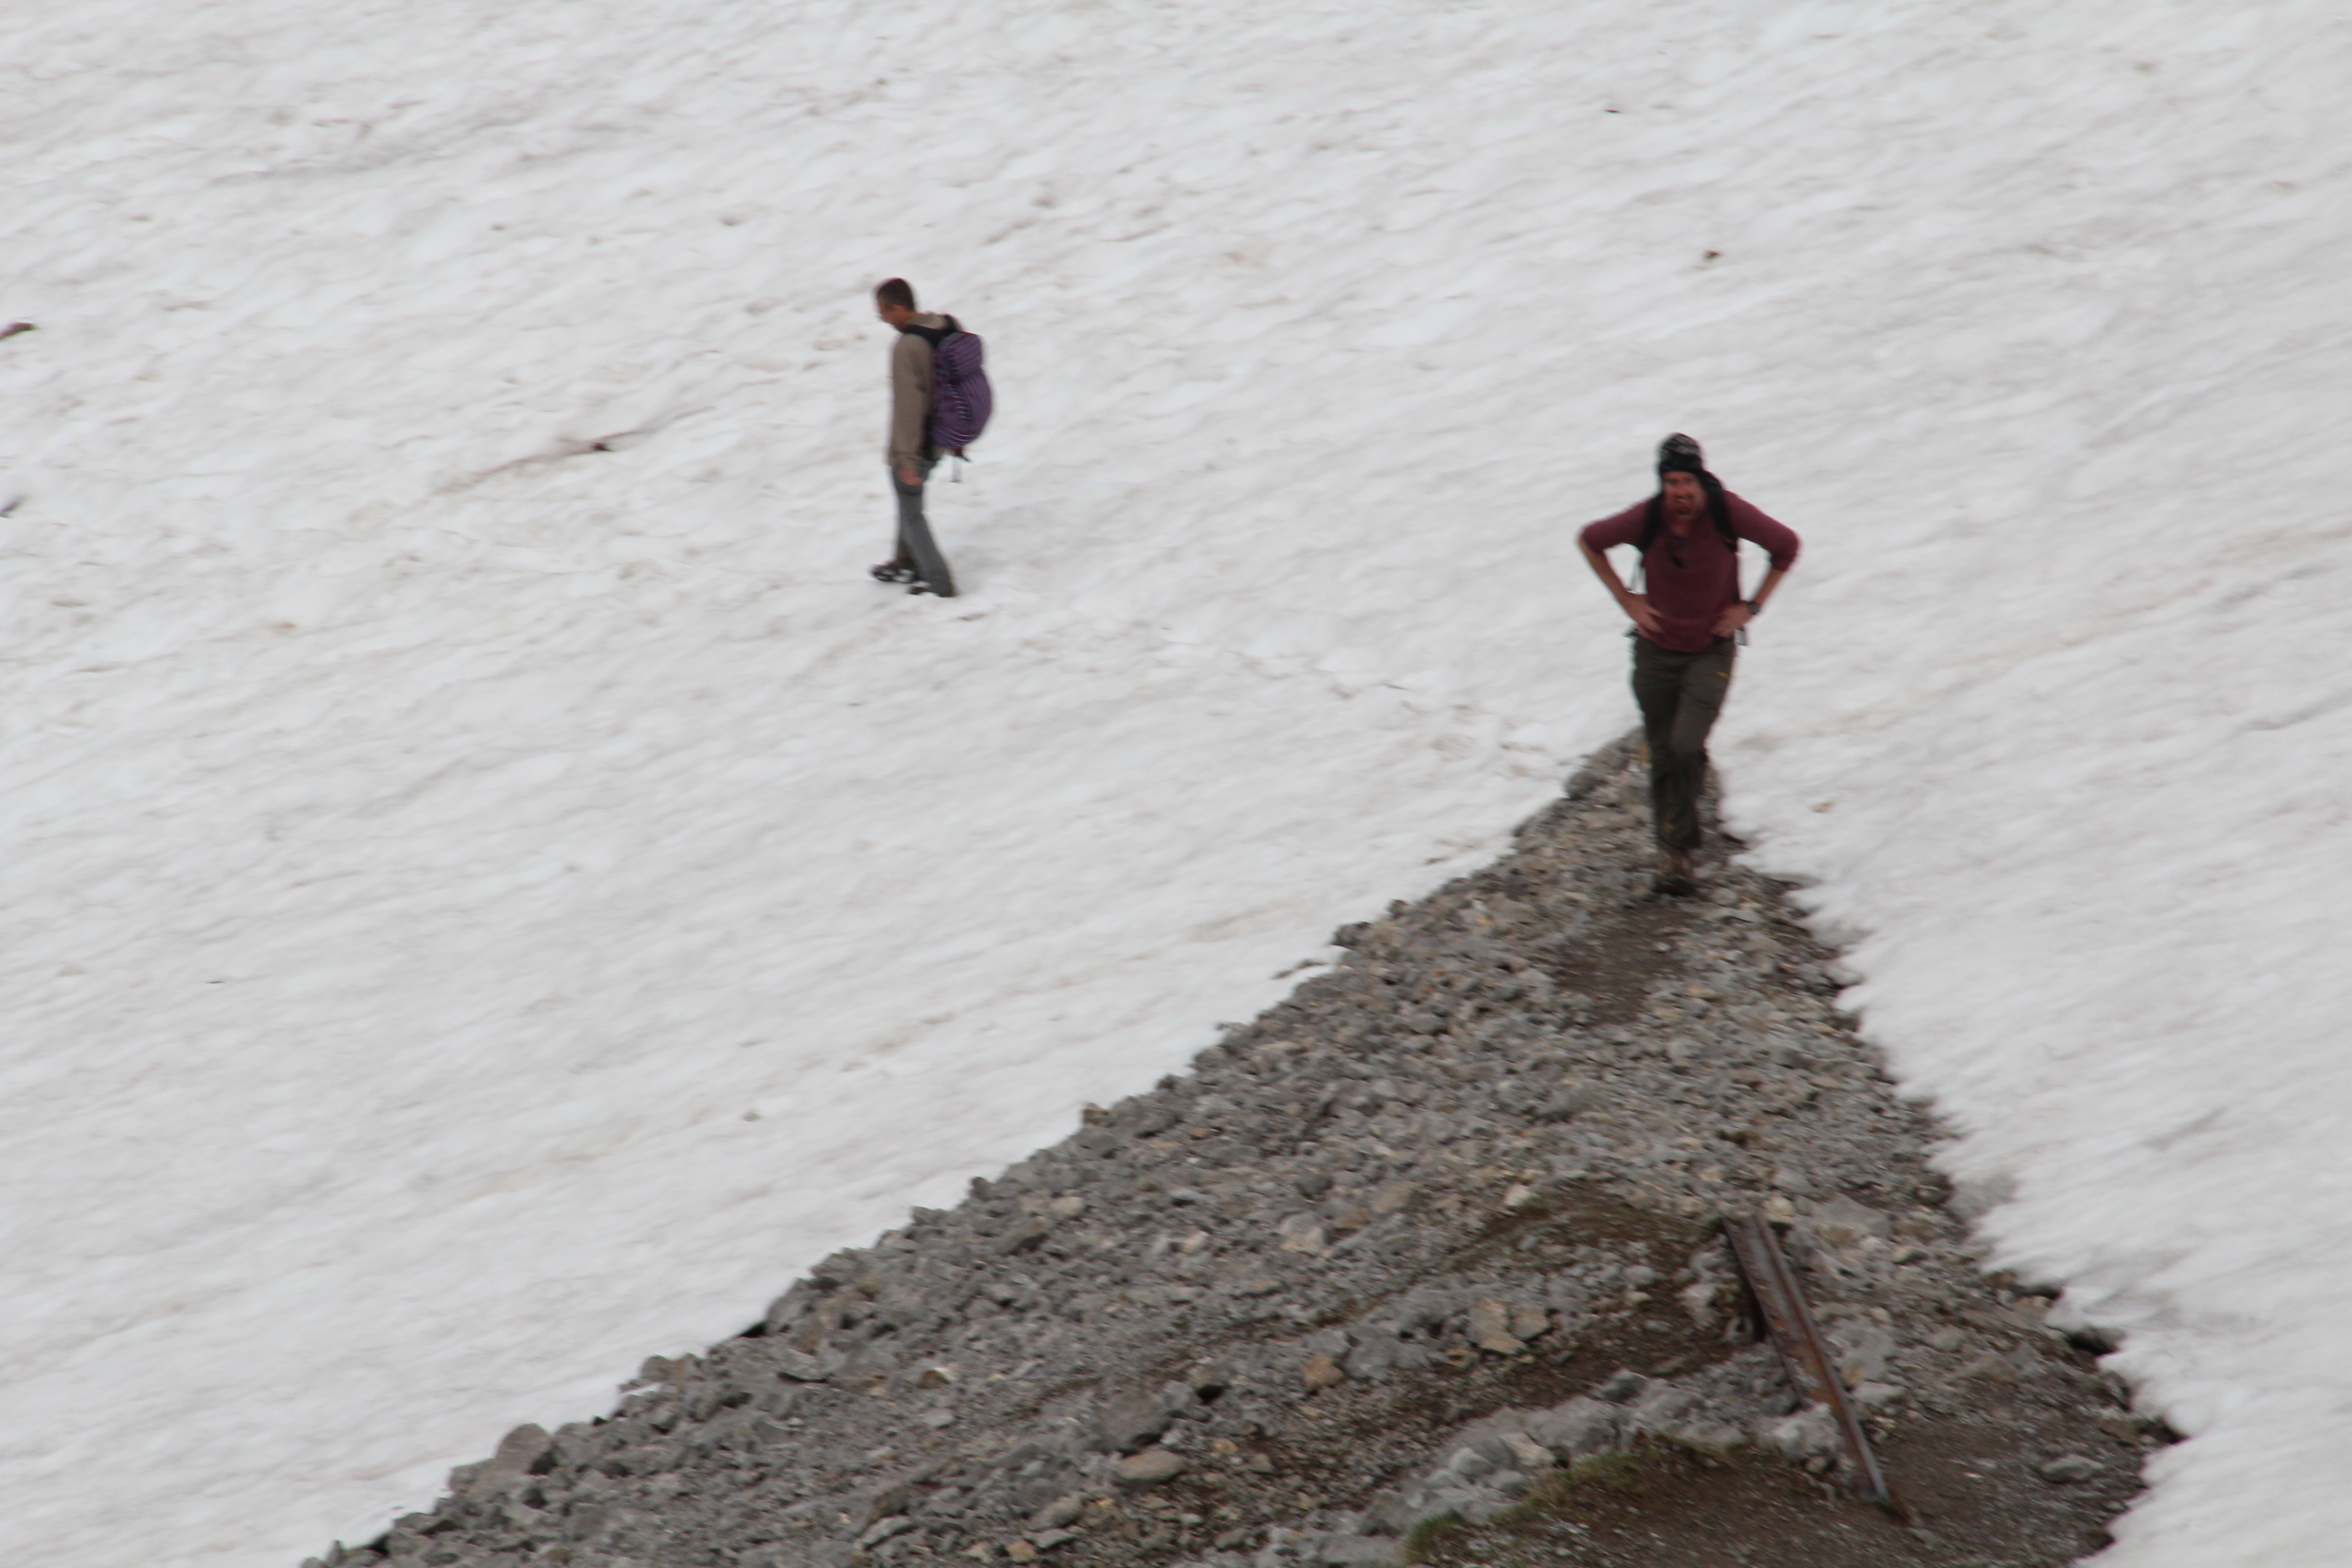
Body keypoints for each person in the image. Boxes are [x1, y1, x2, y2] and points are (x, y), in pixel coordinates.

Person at [1578, 434, 1800, 895]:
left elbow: (1786, 547)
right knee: (1664, 752)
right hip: (1656, 653)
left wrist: (1751, 608)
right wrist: (1627, 600)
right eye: (1671, 481)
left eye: (1687, 481)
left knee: (1683, 745)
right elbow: (1591, 541)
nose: (1679, 490)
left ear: (1701, 479)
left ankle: (1683, 837)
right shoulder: (1648, 516)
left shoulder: (1727, 511)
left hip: (1710, 651)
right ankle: (1674, 857)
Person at [869, 278, 958, 597]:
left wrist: (906, 458)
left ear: (897, 308)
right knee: (907, 501)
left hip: (917, 444)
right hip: (943, 436)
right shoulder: (945, 327)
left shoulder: (907, 347)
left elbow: (909, 405)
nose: (882, 319)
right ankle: (905, 560)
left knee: (911, 509)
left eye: (883, 312)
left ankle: (939, 582)